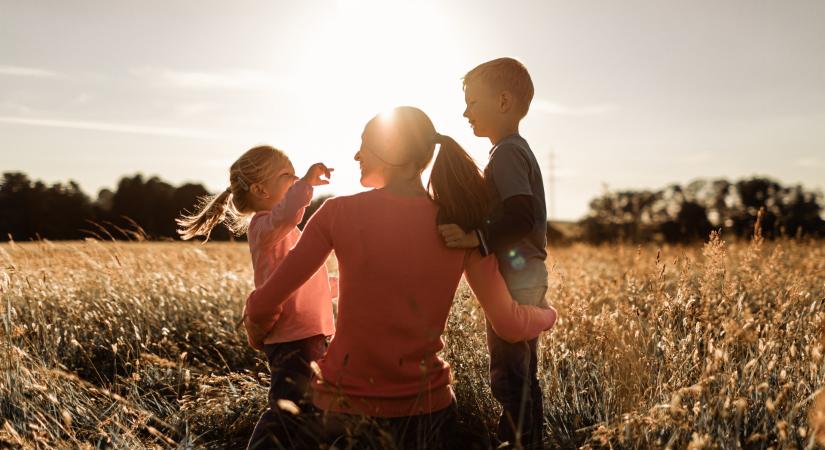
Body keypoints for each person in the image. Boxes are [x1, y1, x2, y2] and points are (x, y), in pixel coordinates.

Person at [245, 107, 557, 449]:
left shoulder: (336, 214)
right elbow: (509, 324)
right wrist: (547, 315)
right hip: (428, 415)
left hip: (341, 412)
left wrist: (257, 330)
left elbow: (265, 300)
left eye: (364, 144)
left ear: (391, 151)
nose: (356, 155)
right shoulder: (459, 228)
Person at [175, 145, 336, 449]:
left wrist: (346, 284)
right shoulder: (264, 227)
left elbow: (308, 280)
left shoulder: (282, 231)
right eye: (287, 175)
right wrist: (307, 184)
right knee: (287, 412)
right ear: (261, 189)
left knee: (308, 410)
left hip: (308, 335)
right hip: (292, 339)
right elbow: (287, 215)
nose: (295, 178)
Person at [438, 57, 549, 449]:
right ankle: (529, 439)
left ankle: (517, 442)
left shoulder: (505, 154)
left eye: (473, 102)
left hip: (518, 277)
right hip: (528, 273)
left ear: (503, 102)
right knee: (522, 373)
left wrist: (475, 238)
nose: (465, 112)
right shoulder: (514, 150)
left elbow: (522, 216)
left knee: (509, 375)